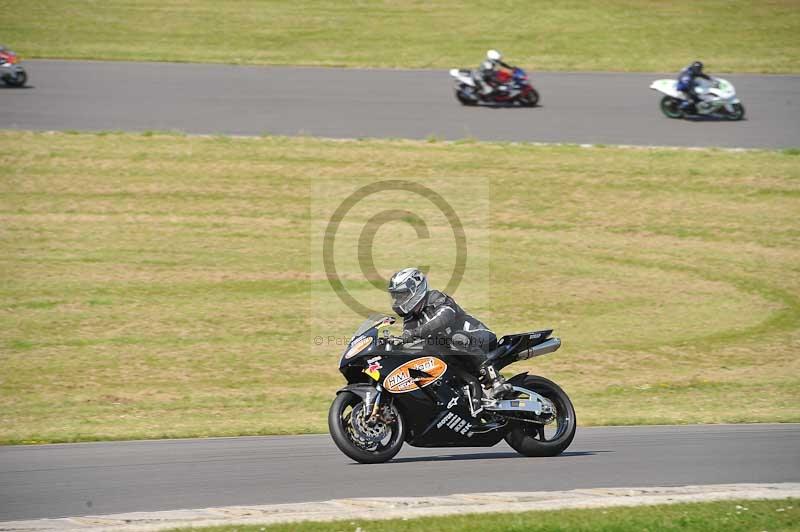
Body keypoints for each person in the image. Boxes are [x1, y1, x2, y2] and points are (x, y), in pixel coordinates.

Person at [387, 268, 510, 409]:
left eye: (402, 295)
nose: (398, 300)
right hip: (455, 353)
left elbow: (444, 318)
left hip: (479, 337)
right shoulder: (411, 318)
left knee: (456, 339)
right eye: (396, 296)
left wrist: (418, 332)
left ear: (416, 289)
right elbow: (409, 339)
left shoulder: (435, 298)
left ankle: (496, 380)